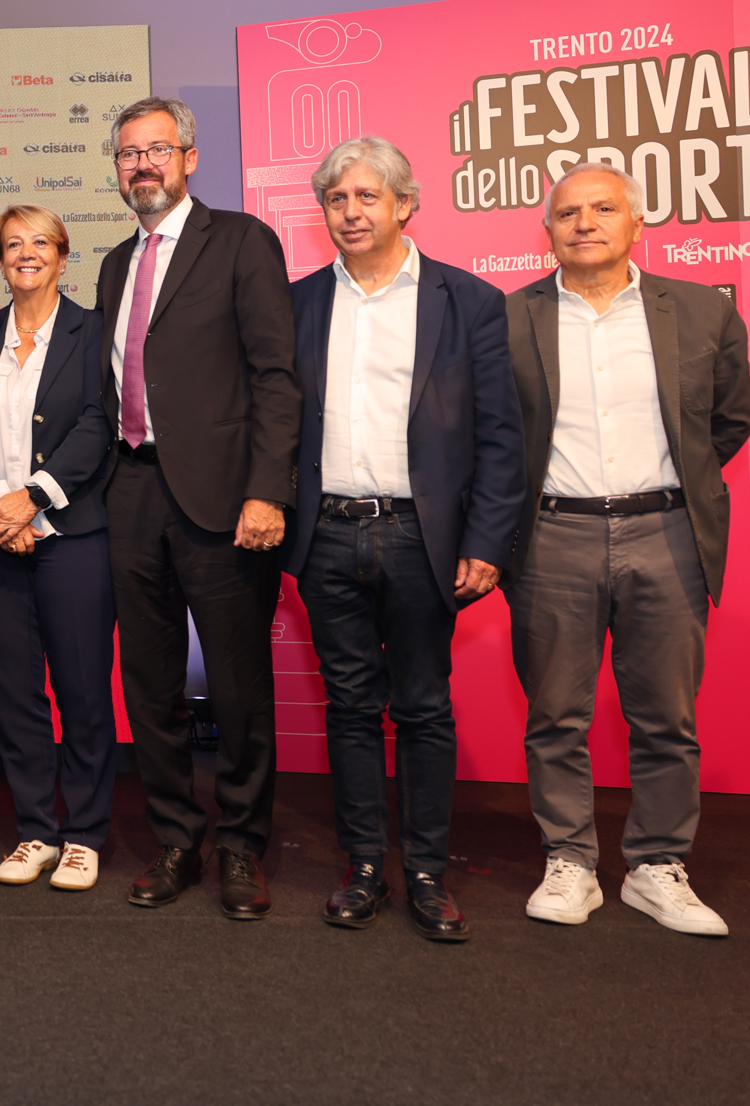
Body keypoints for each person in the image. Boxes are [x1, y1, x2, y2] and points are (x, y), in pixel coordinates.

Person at [282, 138, 524, 941]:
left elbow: (500, 435)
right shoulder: (299, 303)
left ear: (404, 204)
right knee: (350, 707)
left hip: (424, 538)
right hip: (327, 536)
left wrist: (487, 540)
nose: (350, 212)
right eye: (336, 199)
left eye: (367, 197)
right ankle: (362, 867)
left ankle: (425, 872)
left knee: (422, 707)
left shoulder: (470, 301)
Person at [504, 161, 750, 937]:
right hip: (552, 535)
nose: (585, 223)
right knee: (555, 715)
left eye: (603, 208)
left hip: (667, 531)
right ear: (547, 231)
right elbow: (493, 435)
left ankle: (657, 866)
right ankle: (569, 860)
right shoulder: (508, 319)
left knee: (667, 718)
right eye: (568, 212)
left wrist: (669, 489)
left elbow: (729, 420)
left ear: (637, 222)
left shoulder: (704, 311)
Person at [98, 98, 299, 917]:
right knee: (150, 686)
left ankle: (243, 846)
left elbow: (276, 375)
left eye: (156, 150)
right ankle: (177, 839)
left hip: (224, 497)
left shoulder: (242, 241)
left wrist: (267, 489)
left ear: (188, 157)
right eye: (128, 154)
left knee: (240, 687)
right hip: (131, 491)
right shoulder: (115, 263)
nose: (142, 165)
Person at [0, 204, 116, 891]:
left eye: (40, 242)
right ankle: (37, 830)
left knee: (82, 693)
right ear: (0, 259)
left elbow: (99, 422)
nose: (26, 253)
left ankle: (86, 834)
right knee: (16, 695)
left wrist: (33, 498)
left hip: (71, 538)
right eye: (13, 244)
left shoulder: (92, 329)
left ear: (63, 256)